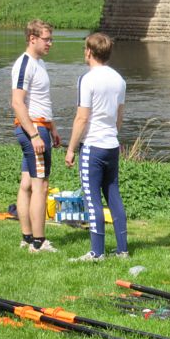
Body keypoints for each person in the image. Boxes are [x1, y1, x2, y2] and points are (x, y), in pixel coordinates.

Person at [65, 32, 129, 261]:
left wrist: (71, 148)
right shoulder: (119, 80)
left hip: (92, 146)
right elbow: (119, 117)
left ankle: (96, 252)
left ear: (89, 52)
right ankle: (122, 250)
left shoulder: (87, 79)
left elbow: (82, 118)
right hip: (112, 145)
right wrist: (112, 134)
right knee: (114, 196)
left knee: (91, 199)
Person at [11, 19, 61, 253]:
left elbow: (41, 102)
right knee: (41, 185)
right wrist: (34, 135)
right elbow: (17, 103)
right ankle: (39, 243)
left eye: (51, 39)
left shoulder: (39, 63)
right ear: (32, 39)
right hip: (33, 130)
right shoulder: (25, 64)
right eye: (46, 39)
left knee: (27, 184)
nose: (50, 43)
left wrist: (53, 129)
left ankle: (27, 237)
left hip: (42, 128)